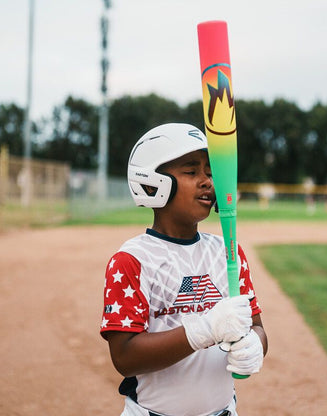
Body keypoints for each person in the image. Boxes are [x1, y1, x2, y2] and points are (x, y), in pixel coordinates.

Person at [100, 123, 268, 416]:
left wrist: (255, 344)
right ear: (152, 182)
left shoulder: (228, 251)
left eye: (209, 171)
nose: (207, 181)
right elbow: (125, 357)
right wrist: (203, 330)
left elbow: (256, 326)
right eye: (191, 172)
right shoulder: (133, 259)